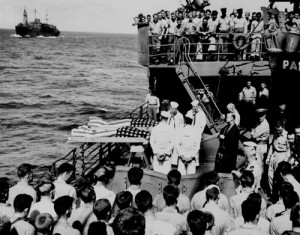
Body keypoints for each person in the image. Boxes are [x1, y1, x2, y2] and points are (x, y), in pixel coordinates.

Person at [267, 121, 290, 193]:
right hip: (274, 155)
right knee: (270, 175)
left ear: (283, 127)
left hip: (282, 155)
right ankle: (272, 192)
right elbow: (272, 146)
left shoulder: (287, 135)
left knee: (278, 176)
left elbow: (289, 149)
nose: (278, 131)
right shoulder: (276, 134)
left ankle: (278, 194)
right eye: (276, 129)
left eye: (279, 130)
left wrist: (286, 160)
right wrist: (268, 157)